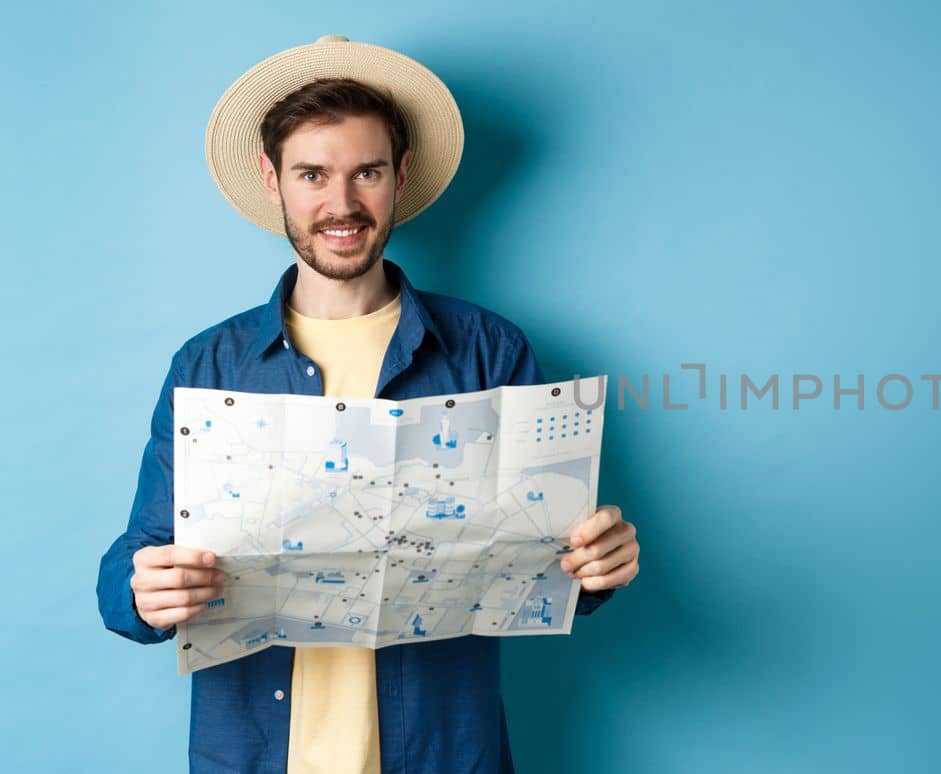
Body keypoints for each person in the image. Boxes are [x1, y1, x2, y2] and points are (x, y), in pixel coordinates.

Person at [95, 35, 640, 773]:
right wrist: (141, 587)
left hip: (445, 751)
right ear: (273, 178)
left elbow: (549, 558)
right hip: (258, 750)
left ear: (400, 176)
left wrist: (598, 564)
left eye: (367, 173)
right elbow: (135, 559)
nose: (341, 204)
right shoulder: (207, 365)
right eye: (313, 174)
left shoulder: (490, 351)